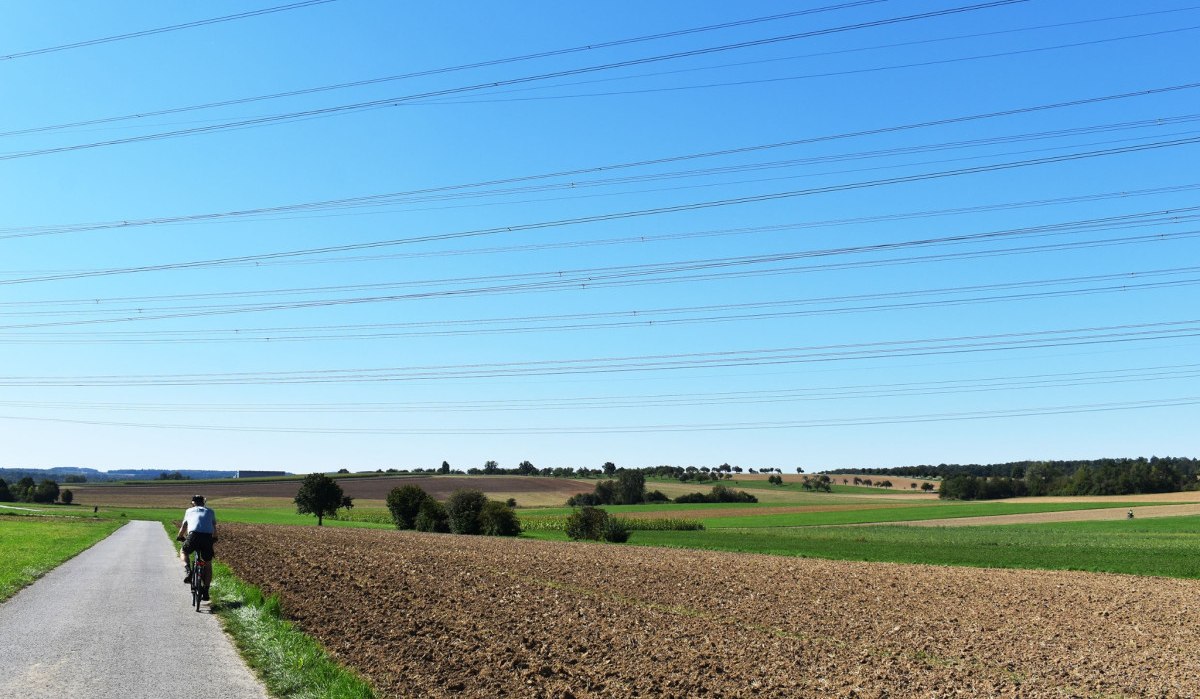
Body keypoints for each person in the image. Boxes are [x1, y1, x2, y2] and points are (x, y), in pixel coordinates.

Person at [176, 495, 217, 600]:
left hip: (193, 536)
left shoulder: (189, 511)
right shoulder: (210, 511)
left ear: (193, 502)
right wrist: (214, 538)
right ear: (204, 502)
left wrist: (180, 536)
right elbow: (214, 527)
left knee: (184, 551)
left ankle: (188, 570)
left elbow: (184, 526)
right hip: (207, 538)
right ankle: (206, 591)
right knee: (208, 563)